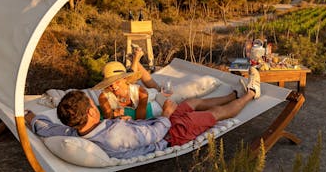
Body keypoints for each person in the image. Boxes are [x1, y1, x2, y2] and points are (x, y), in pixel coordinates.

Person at [27, 68, 261, 159]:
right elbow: (154, 136)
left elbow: (43, 126)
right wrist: (167, 115)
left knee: (192, 101)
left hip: (154, 123)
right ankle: (251, 93)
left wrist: (29, 117)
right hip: (171, 134)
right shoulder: (114, 135)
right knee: (216, 114)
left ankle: (231, 95)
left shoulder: (70, 130)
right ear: (90, 111)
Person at [94, 46, 160, 120]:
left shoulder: (142, 93)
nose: (113, 86)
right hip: (128, 85)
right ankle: (135, 59)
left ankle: (136, 59)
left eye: (117, 81)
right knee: (132, 75)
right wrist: (116, 117)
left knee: (157, 88)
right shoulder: (103, 97)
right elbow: (109, 117)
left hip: (152, 95)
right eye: (109, 83)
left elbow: (140, 121)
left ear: (124, 78)